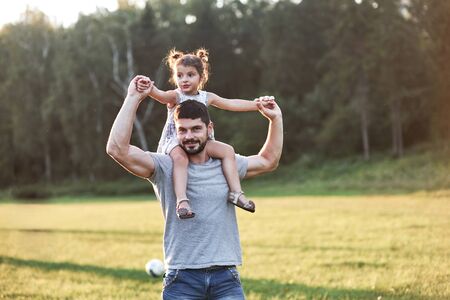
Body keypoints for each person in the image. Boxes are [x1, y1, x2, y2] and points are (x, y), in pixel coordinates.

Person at [106, 75, 283, 299]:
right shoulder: (165, 166)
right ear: (175, 131)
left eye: (195, 129)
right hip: (181, 279)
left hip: (226, 278)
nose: (189, 136)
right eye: (182, 130)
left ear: (209, 129)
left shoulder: (226, 164)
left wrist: (275, 120)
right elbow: (116, 149)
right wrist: (133, 98)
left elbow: (269, 160)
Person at [138, 48, 273, 219]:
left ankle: (236, 193)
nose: (184, 80)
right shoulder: (176, 96)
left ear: (201, 78)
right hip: (176, 140)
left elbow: (231, 103)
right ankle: (182, 201)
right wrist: (149, 88)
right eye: (179, 76)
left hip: (202, 141)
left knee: (227, 151)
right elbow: (161, 95)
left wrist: (258, 105)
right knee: (181, 159)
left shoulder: (206, 97)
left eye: (190, 75)